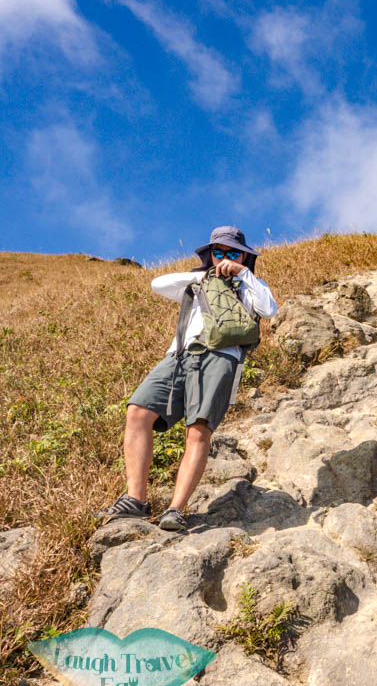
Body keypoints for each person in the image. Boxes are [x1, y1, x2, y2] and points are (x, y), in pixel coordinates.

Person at [94, 226, 277, 532]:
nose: (226, 258)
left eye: (234, 253)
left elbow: (268, 310)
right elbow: (157, 283)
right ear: (210, 254)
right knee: (138, 410)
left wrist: (243, 274)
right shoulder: (196, 282)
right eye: (219, 252)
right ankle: (135, 500)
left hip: (221, 357)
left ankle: (175, 509)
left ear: (245, 255)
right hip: (179, 355)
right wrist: (203, 275)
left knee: (198, 429)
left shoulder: (252, 285)